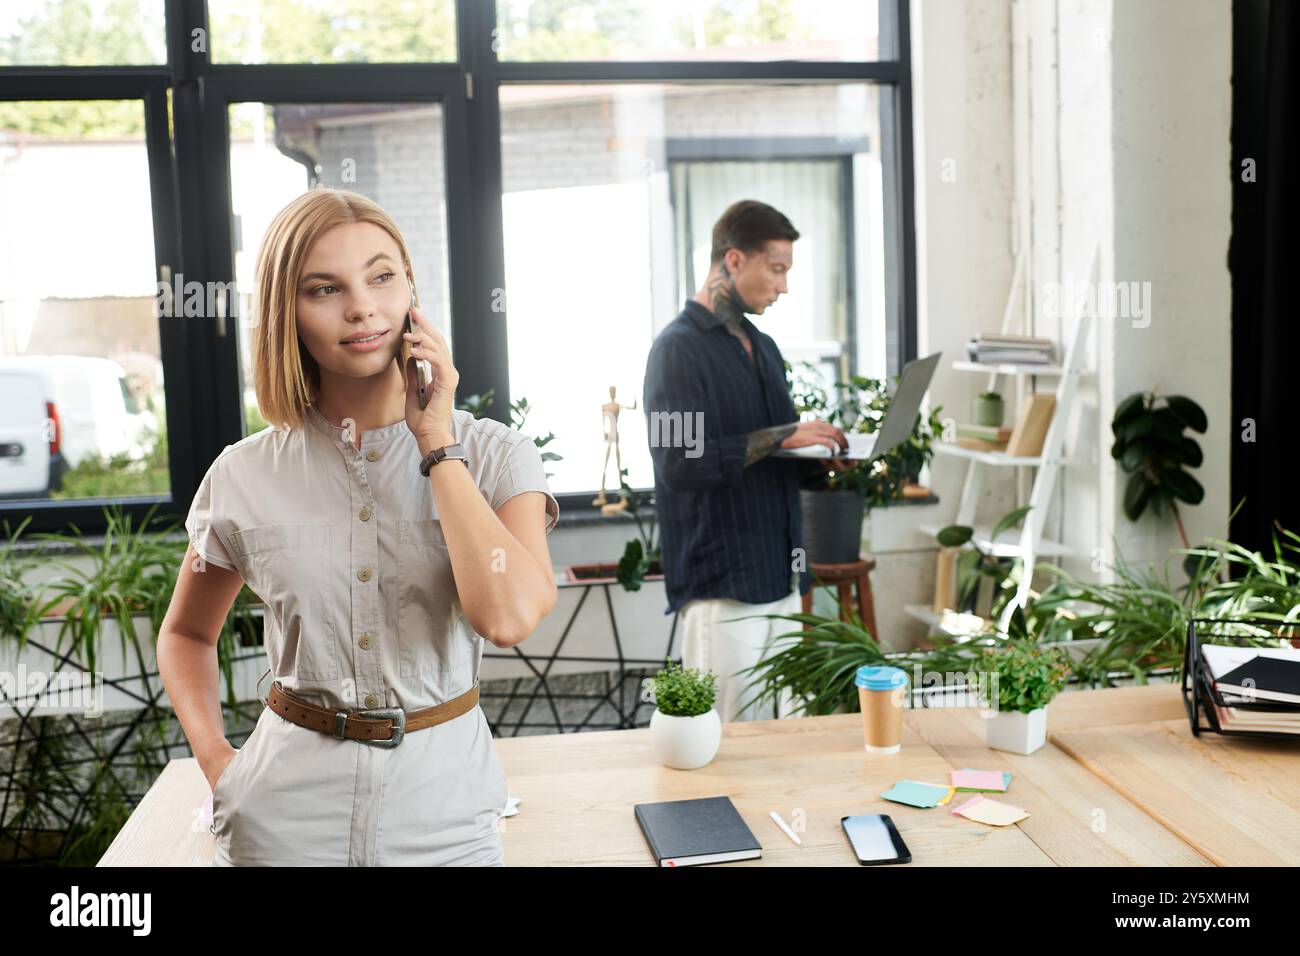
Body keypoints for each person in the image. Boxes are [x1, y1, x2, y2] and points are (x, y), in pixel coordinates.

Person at [156, 187, 559, 866]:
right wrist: (219, 762)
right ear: (289, 313)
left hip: (447, 818)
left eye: (381, 276)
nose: (362, 307)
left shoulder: (495, 456)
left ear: (411, 289)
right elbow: (187, 633)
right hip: (281, 820)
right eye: (324, 289)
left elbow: (511, 616)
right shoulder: (241, 476)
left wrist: (437, 444)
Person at [643, 199, 848, 723]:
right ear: (733, 261)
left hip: (782, 579)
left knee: (785, 745)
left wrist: (821, 457)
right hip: (723, 591)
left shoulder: (764, 347)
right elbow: (679, 463)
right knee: (732, 748)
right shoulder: (677, 351)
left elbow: (776, 454)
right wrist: (783, 437)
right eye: (776, 269)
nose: (783, 286)